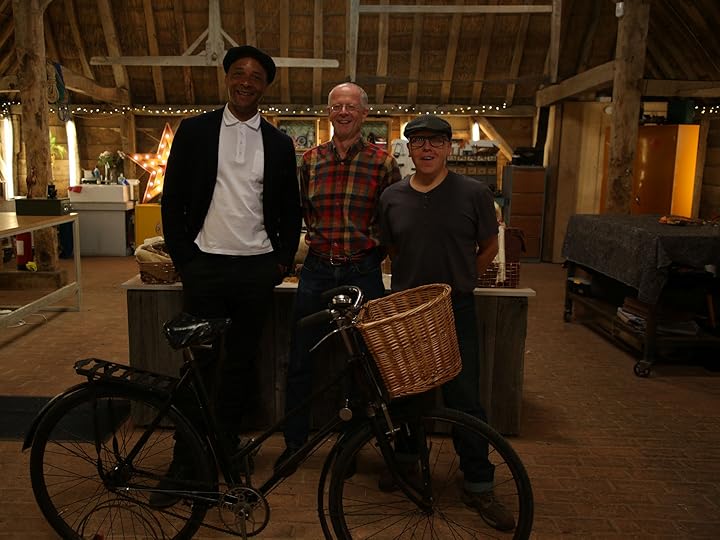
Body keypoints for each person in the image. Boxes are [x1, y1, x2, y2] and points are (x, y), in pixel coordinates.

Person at [157, 45, 302, 505]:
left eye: (256, 77)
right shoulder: (195, 130)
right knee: (198, 367)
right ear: (227, 78)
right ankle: (184, 463)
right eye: (239, 73)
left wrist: (280, 260)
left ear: (265, 87)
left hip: (256, 269)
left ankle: (224, 449)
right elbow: (172, 198)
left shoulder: (278, 143)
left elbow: (290, 208)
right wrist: (185, 257)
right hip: (205, 266)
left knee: (240, 366)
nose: (246, 82)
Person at [378, 115, 515, 531]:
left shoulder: (473, 193)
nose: (427, 149)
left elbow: (489, 245)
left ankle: (478, 483)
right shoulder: (392, 197)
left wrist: (464, 279)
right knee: (407, 393)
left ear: (448, 148)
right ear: (409, 149)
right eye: (419, 141)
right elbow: (393, 249)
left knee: (465, 397)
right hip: (409, 311)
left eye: (436, 141)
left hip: (456, 308)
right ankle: (406, 464)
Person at [277, 82, 401, 466]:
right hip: (316, 270)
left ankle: (350, 447)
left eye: (351, 106)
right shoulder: (310, 160)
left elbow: (391, 220)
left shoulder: (383, 163)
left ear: (364, 113)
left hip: (362, 272)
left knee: (363, 363)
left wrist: (370, 254)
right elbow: (301, 211)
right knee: (301, 358)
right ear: (328, 113)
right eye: (336, 106)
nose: (343, 112)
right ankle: (294, 444)